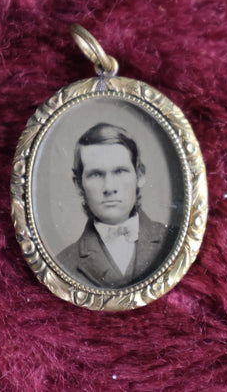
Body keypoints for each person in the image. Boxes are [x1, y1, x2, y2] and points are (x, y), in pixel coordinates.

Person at [57, 123, 175, 288]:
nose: (109, 187)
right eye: (96, 174)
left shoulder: (174, 241)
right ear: (78, 184)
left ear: (140, 175)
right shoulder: (63, 263)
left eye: (119, 171)